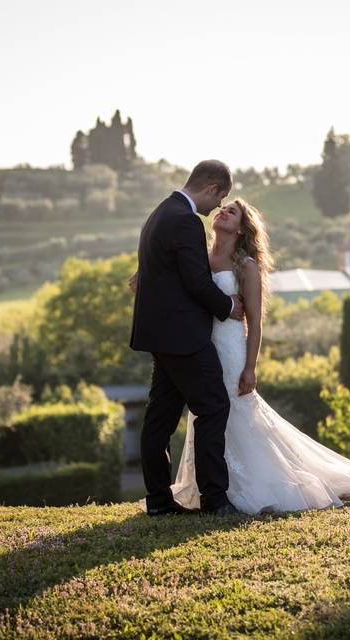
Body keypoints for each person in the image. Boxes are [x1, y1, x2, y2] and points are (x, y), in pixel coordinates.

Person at [162, 196, 350, 515]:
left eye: (231, 212)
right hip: (204, 349)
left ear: (242, 228)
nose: (222, 213)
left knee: (236, 413)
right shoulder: (201, 259)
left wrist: (250, 368)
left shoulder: (245, 266)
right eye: (222, 209)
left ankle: (248, 486)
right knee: (208, 413)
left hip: (231, 350)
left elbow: (256, 322)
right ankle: (213, 488)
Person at [129, 159, 244, 517]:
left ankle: (160, 502)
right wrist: (228, 306)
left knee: (160, 419)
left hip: (161, 335)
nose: (215, 208)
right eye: (219, 197)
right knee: (213, 407)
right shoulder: (185, 220)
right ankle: (215, 500)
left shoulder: (161, 212)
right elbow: (196, 282)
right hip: (183, 337)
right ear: (211, 189)